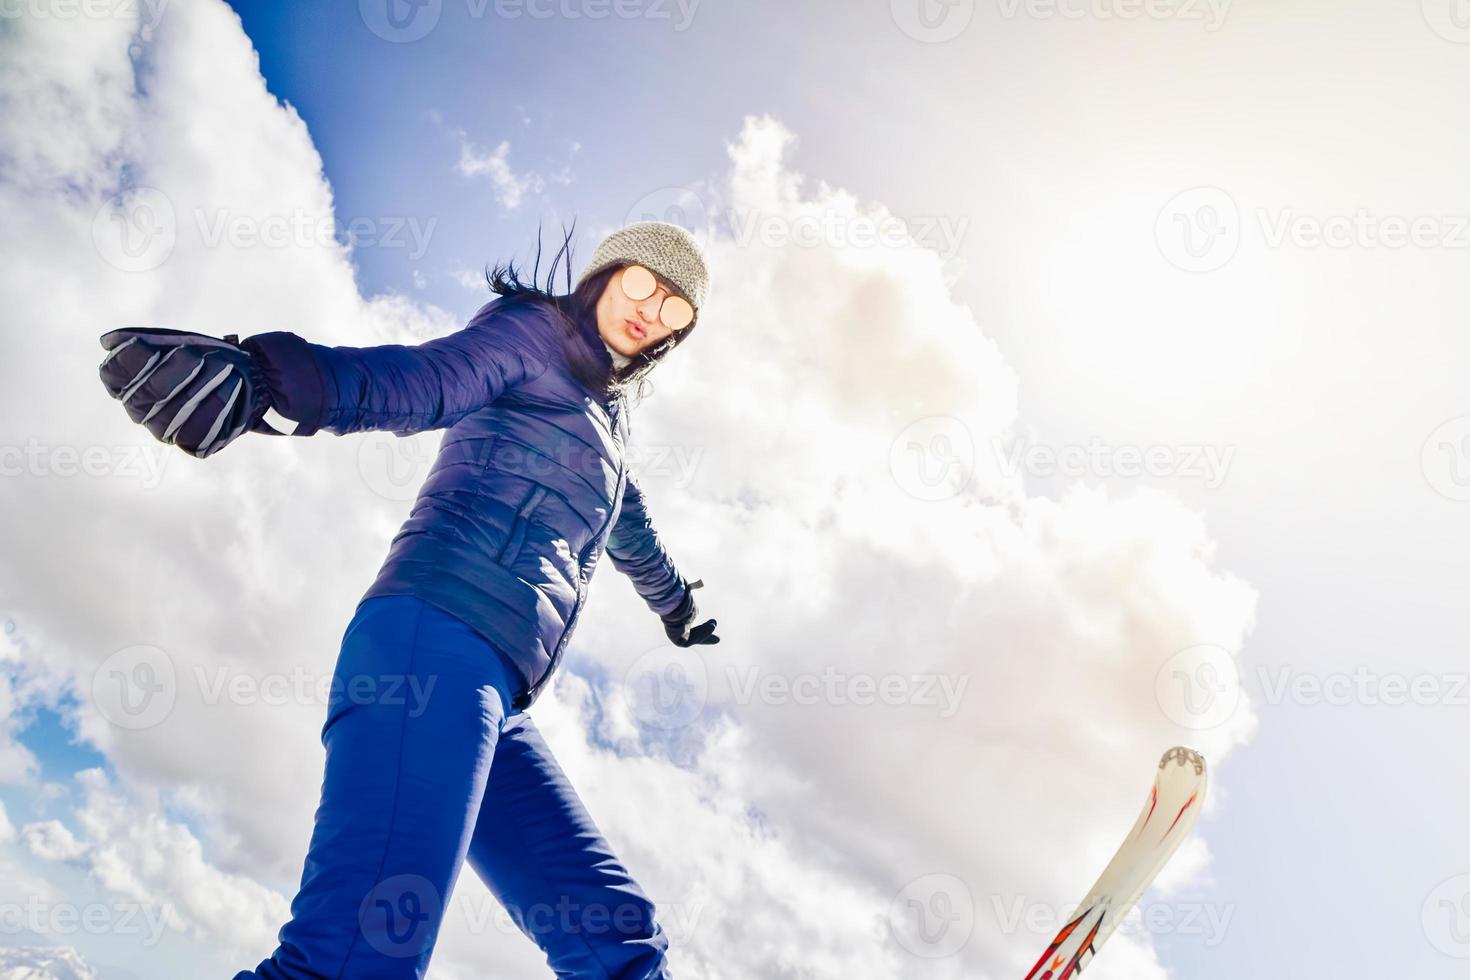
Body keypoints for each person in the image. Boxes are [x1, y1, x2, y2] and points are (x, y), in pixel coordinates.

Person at [96, 219, 720, 979]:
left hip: (497, 701)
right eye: (641, 284)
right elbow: (420, 382)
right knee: (356, 959)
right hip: (434, 644)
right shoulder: (532, 337)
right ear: (604, 274)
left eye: (675, 309)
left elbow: (634, 533)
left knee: (620, 948)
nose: (651, 311)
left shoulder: (608, 429)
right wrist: (270, 380)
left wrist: (677, 608)